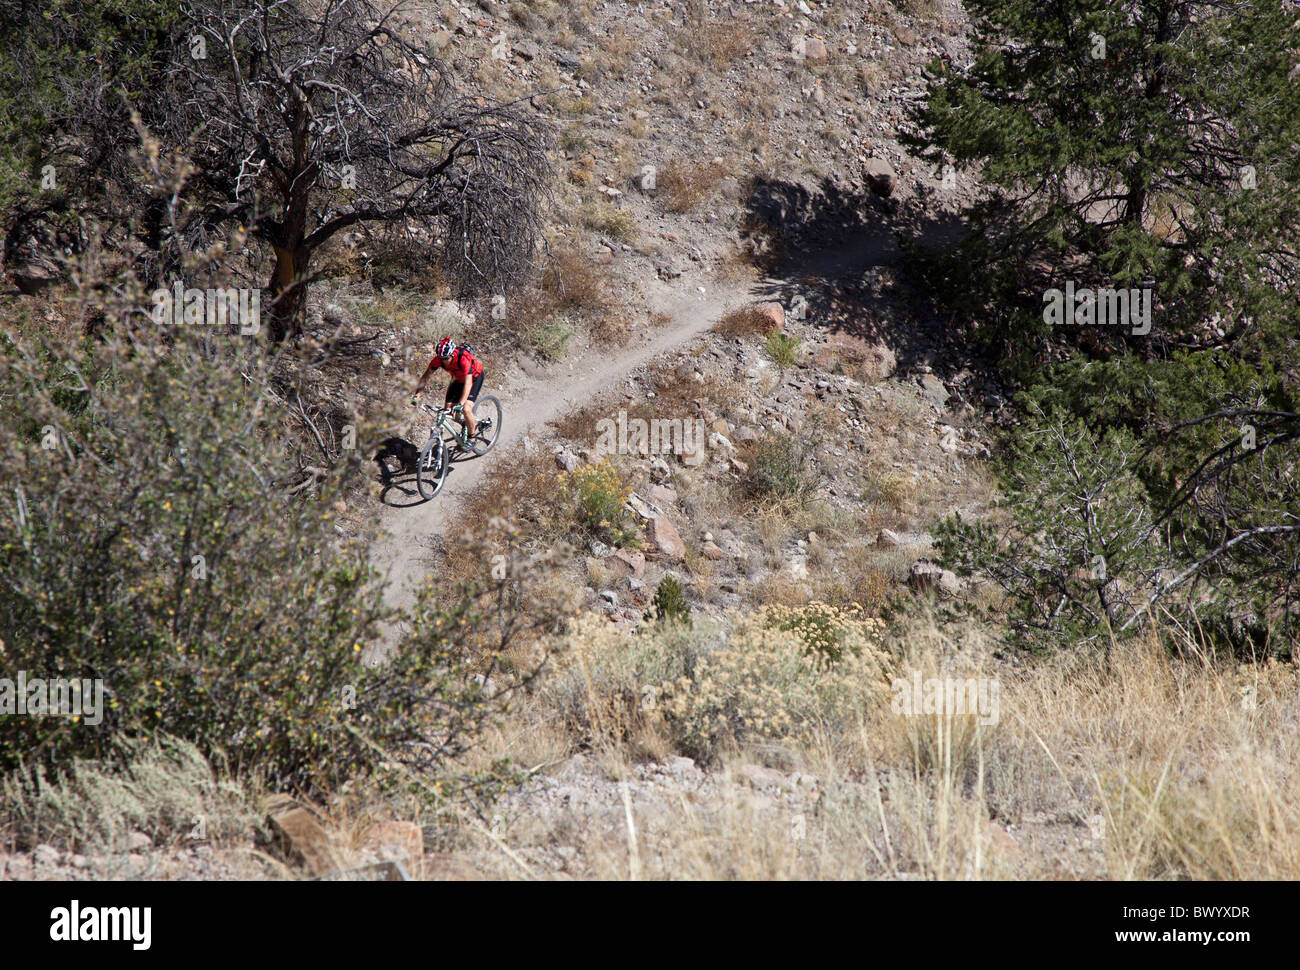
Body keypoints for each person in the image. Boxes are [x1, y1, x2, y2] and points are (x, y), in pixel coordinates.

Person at [411, 337, 487, 440]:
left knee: (466, 408)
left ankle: (472, 436)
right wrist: (417, 395)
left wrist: (460, 404)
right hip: (457, 379)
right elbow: (425, 377)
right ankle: (467, 423)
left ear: (452, 354)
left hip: (474, 377)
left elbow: (468, 384)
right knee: (448, 410)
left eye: (446, 358)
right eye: (441, 359)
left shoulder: (463, 358)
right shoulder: (439, 359)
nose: (443, 361)